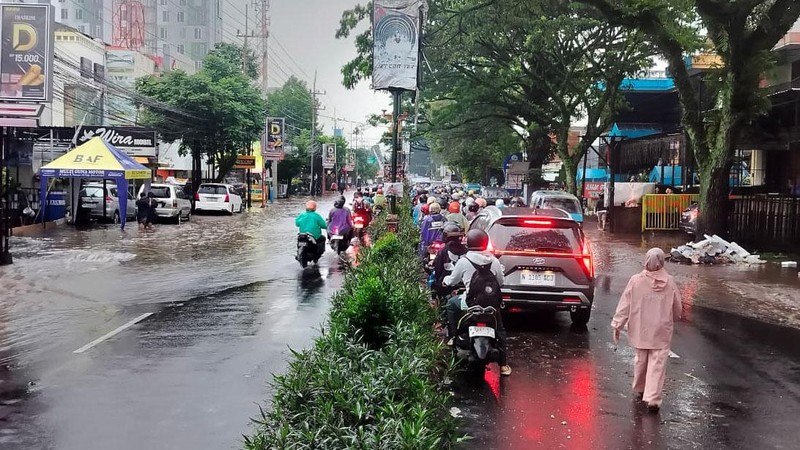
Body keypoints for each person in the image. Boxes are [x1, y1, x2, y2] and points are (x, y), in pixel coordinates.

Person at [612, 248, 683, 412]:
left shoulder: (636, 281)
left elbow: (625, 304)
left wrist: (617, 324)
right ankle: (653, 398)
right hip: (661, 329)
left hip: (640, 328)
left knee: (641, 359)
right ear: (662, 262)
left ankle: (640, 387)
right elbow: (677, 308)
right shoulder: (670, 282)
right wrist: (675, 317)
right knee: (657, 363)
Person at [443, 229, 511, 376]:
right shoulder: (494, 261)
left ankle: (453, 337)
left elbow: (452, 280)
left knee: (451, 304)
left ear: (468, 243)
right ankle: (504, 365)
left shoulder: (463, 261)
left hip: (470, 305)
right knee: (500, 329)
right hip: (491, 306)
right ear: (485, 243)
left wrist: (445, 281)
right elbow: (501, 282)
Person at [432, 223, 467, 299]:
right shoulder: (466, 250)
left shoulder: (443, 251)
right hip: (464, 284)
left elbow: (438, 270)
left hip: (447, 286)